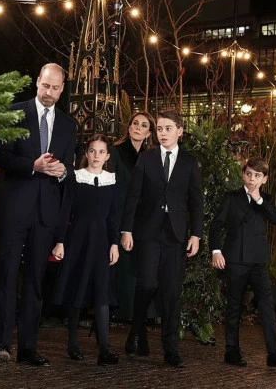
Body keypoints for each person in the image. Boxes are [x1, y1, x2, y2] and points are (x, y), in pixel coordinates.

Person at [0, 63, 77, 366]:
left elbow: (69, 169)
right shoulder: (14, 112)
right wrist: (33, 166)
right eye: (45, 85)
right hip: (15, 208)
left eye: (55, 88)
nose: (49, 92)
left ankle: (28, 347)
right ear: (37, 82)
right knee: (7, 275)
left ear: (62, 89)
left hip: (45, 213)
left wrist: (63, 171)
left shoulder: (68, 124)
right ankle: (1, 345)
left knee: (36, 281)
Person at [121, 110, 203, 368]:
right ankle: (137, 331)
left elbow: (196, 201)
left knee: (171, 291)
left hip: (176, 235)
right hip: (148, 231)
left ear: (180, 131)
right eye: (159, 129)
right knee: (146, 284)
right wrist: (126, 230)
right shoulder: (146, 158)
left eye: (168, 128)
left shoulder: (189, 162)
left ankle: (170, 349)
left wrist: (196, 234)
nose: (163, 133)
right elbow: (133, 196)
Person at [209, 157, 276, 368]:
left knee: (267, 305)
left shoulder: (266, 200)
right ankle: (231, 351)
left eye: (257, 175)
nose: (252, 179)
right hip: (235, 259)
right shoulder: (231, 197)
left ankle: (274, 354)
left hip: (258, 262)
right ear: (243, 175)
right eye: (248, 174)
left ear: (264, 179)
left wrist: (259, 200)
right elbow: (216, 225)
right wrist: (216, 251)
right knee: (234, 305)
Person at [51, 134, 120, 366]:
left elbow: (114, 216)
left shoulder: (112, 180)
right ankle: (73, 343)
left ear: (107, 156)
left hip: (102, 243)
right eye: (92, 151)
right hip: (78, 240)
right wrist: (60, 241)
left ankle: (105, 349)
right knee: (77, 290)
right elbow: (65, 211)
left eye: (101, 152)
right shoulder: (76, 178)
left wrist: (114, 243)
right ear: (86, 154)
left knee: (102, 293)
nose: (96, 156)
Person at [109, 112, 157, 322]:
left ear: (149, 133)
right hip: (119, 214)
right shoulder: (115, 152)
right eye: (135, 123)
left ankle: (143, 312)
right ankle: (122, 311)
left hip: (144, 219)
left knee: (141, 265)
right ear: (129, 128)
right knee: (123, 264)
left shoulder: (151, 156)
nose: (138, 127)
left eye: (144, 125)